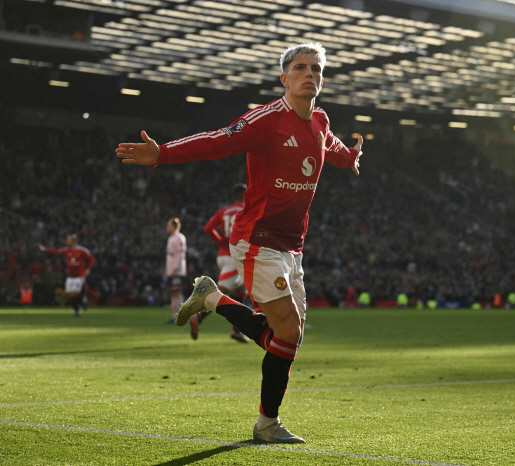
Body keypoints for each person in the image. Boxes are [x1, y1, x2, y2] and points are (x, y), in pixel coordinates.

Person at [115, 42, 363, 444]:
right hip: (257, 238)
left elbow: (329, 145)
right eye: (300, 68)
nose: (309, 75)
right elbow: (216, 141)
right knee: (288, 329)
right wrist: (162, 154)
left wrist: (349, 155)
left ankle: (213, 300)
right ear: (284, 78)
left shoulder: (319, 120)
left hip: (291, 245)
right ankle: (267, 424)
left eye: (316, 69)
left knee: (288, 337)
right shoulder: (266, 120)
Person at [193, 183, 249, 342]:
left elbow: (207, 228)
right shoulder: (247, 210)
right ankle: (198, 317)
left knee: (241, 292)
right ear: (246, 196)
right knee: (221, 292)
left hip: (223, 255)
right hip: (235, 256)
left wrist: (220, 242)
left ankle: (237, 330)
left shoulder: (223, 211)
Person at [38, 234, 94, 317]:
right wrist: (44, 249)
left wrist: (88, 269)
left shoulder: (82, 250)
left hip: (79, 277)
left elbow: (91, 259)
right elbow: (56, 251)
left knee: (73, 294)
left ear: (73, 241)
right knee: (69, 296)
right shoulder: (66, 250)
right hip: (70, 277)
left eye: (68, 240)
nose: (66, 241)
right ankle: (78, 311)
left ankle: (82, 301)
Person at [165, 218, 187, 325]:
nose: (167, 227)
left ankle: (181, 316)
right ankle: (174, 316)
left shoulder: (179, 238)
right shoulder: (171, 238)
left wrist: (175, 268)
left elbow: (180, 254)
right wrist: (168, 269)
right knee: (173, 293)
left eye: (168, 225)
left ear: (174, 226)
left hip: (177, 270)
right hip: (171, 270)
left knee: (177, 292)